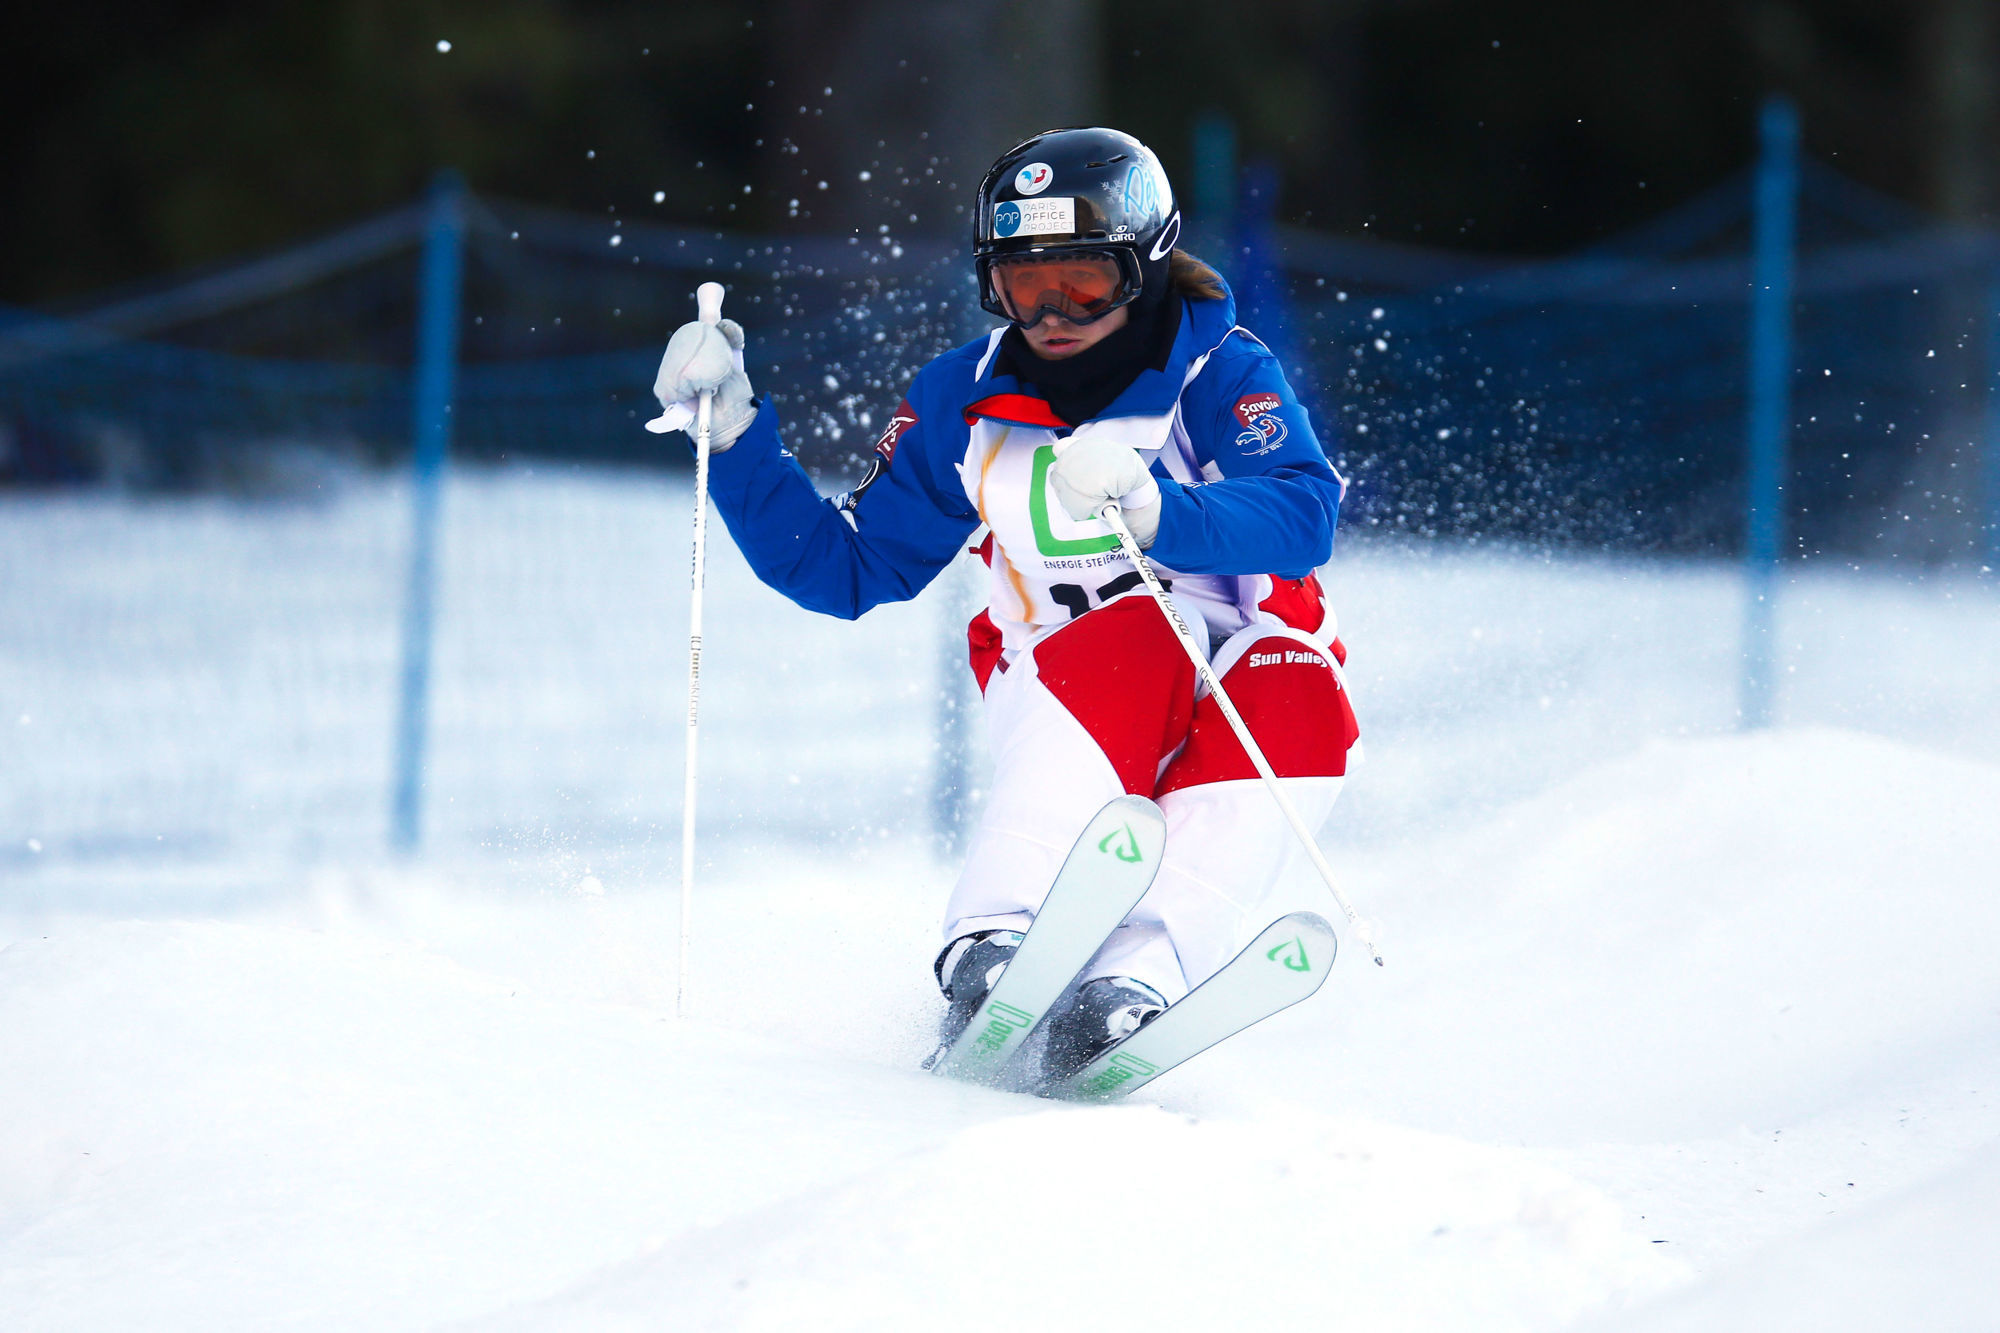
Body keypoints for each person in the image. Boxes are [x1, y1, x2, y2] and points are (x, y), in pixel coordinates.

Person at [648, 126, 1360, 1082]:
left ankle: (1136, 980)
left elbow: (1305, 508)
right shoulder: (962, 402)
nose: (1053, 312)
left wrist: (1161, 509)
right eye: (1024, 284)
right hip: (1072, 662)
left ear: (1142, 270)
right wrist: (732, 439)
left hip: (1240, 667)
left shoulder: (1219, 370)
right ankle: (995, 943)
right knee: (1141, 635)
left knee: (1302, 685)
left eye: (1084, 281)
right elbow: (844, 568)